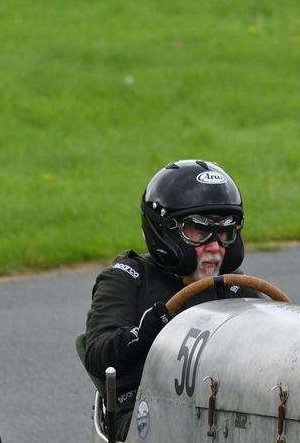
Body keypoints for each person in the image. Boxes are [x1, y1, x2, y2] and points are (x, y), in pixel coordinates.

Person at [81, 159, 246, 393]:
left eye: (224, 230)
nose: (214, 246)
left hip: (223, 400)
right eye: (198, 229)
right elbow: (98, 357)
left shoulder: (234, 284)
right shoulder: (129, 277)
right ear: (164, 230)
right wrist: (142, 336)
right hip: (146, 404)